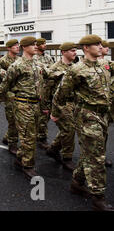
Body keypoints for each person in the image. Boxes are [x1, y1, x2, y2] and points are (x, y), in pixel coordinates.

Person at [51, 35, 113, 211]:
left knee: (90, 153)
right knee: (97, 157)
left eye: (101, 44)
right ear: (86, 48)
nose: (101, 47)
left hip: (103, 115)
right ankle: (98, 197)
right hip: (87, 116)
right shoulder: (77, 70)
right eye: (97, 44)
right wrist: (55, 112)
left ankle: (77, 182)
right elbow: (61, 93)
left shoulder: (104, 65)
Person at [0, 37, 44, 179]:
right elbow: (5, 84)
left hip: (35, 104)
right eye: (32, 45)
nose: (35, 46)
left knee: (31, 135)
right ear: (24, 47)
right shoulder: (17, 65)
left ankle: (19, 158)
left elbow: (42, 83)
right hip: (22, 104)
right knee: (28, 137)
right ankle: (27, 166)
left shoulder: (36, 63)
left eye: (36, 44)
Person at [43, 42, 78, 171]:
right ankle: (67, 158)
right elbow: (47, 89)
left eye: (75, 50)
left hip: (74, 103)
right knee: (69, 129)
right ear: (64, 52)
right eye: (72, 50)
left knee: (67, 130)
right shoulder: (54, 68)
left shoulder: (76, 67)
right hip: (60, 103)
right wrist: (46, 107)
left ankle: (53, 149)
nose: (75, 52)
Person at [0, 39, 20, 155]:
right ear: (8, 48)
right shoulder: (2, 61)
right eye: (15, 46)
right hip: (9, 94)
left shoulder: (20, 60)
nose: (17, 47)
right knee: (13, 120)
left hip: (20, 94)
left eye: (18, 46)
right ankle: (12, 144)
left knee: (19, 120)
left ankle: (7, 137)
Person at [33, 38, 54, 149]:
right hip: (40, 90)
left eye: (45, 43)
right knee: (42, 115)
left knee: (46, 114)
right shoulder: (34, 58)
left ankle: (39, 134)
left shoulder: (48, 57)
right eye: (43, 43)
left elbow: (52, 71)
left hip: (49, 89)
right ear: (37, 45)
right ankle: (41, 137)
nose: (45, 45)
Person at [99, 40, 113, 168]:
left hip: (107, 104)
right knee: (96, 135)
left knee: (105, 132)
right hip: (91, 108)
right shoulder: (84, 65)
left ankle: (101, 156)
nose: (106, 49)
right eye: (104, 47)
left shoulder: (107, 63)